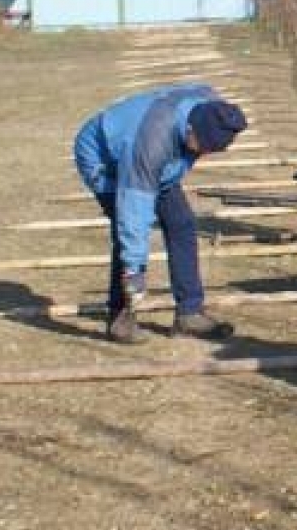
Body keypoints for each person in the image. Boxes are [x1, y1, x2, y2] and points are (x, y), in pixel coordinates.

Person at [71, 84, 249, 344]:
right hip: (104, 158)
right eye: (201, 147)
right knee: (126, 233)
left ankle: (189, 314)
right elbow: (133, 213)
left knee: (181, 223)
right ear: (189, 130)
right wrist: (135, 270)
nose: (203, 155)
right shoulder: (152, 142)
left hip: (158, 161)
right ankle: (120, 318)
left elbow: (198, 89)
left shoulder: (212, 110)